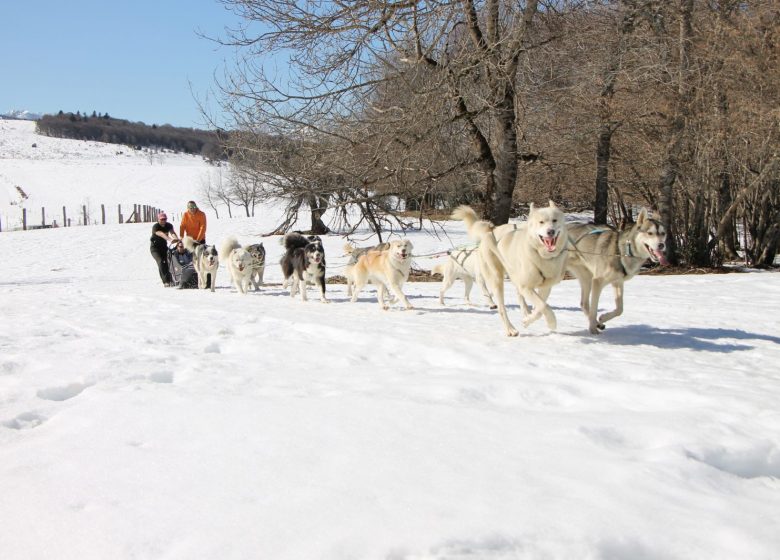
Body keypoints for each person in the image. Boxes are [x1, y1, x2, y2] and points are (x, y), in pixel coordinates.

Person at [150, 212, 178, 286]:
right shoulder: (156, 227)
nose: (163, 221)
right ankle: (165, 281)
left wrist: (176, 238)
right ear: (158, 219)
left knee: (168, 262)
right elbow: (161, 234)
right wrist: (169, 239)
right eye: (161, 219)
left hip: (164, 247)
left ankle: (170, 279)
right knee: (161, 262)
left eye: (164, 219)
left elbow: (172, 232)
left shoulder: (168, 225)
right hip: (155, 248)